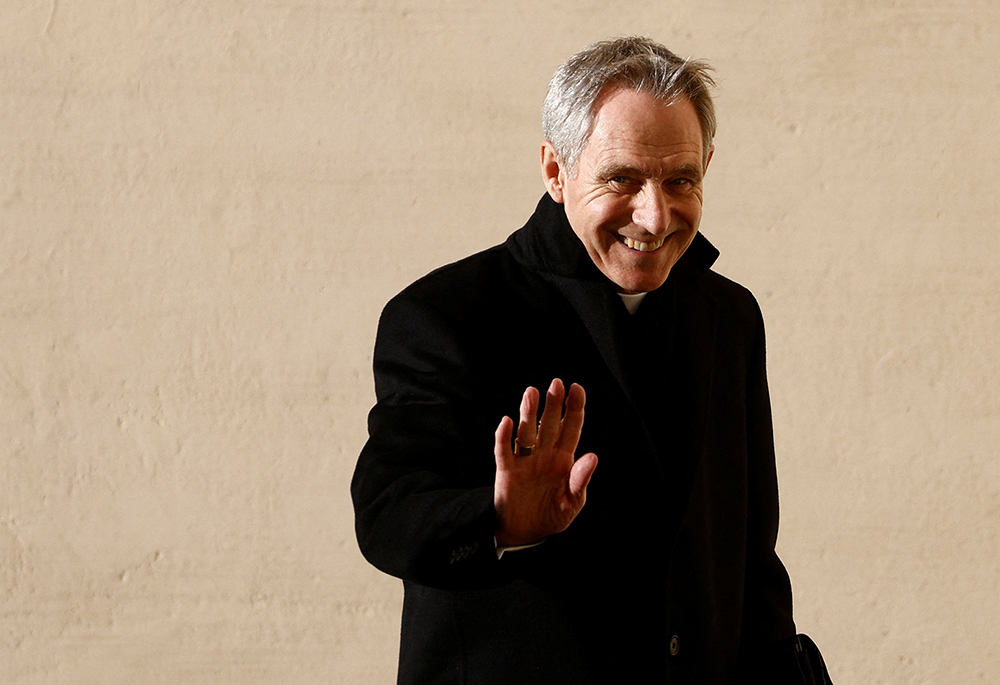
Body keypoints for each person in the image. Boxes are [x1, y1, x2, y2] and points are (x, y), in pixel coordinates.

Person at [352, 36, 832, 684]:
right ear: (555, 170)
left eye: (680, 179)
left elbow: (750, 563)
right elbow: (386, 518)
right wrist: (498, 517)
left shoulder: (730, 317)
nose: (655, 214)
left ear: (708, 165)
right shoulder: (445, 315)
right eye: (622, 178)